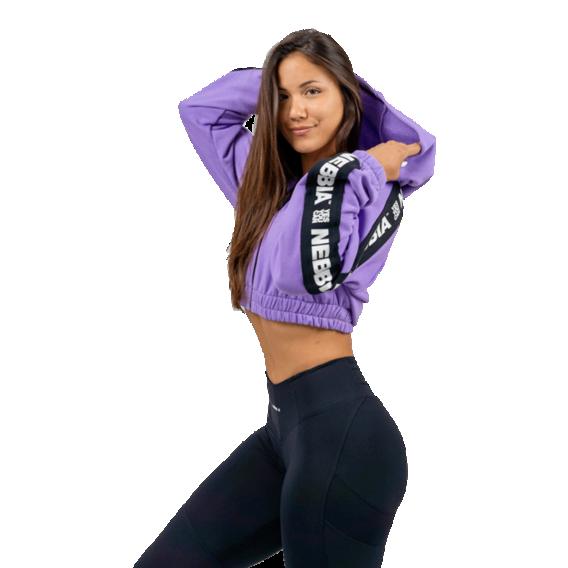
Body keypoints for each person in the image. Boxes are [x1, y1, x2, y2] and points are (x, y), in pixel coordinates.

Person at [134, 28, 436, 567]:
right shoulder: (267, 190)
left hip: (343, 440)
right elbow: (202, 112)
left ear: (347, 96)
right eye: (282, 96)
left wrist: (363, 164)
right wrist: (281, 78)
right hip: (284, 431)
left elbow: (305, 272)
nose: (296, 110)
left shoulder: (367, 191)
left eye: (313, 91)